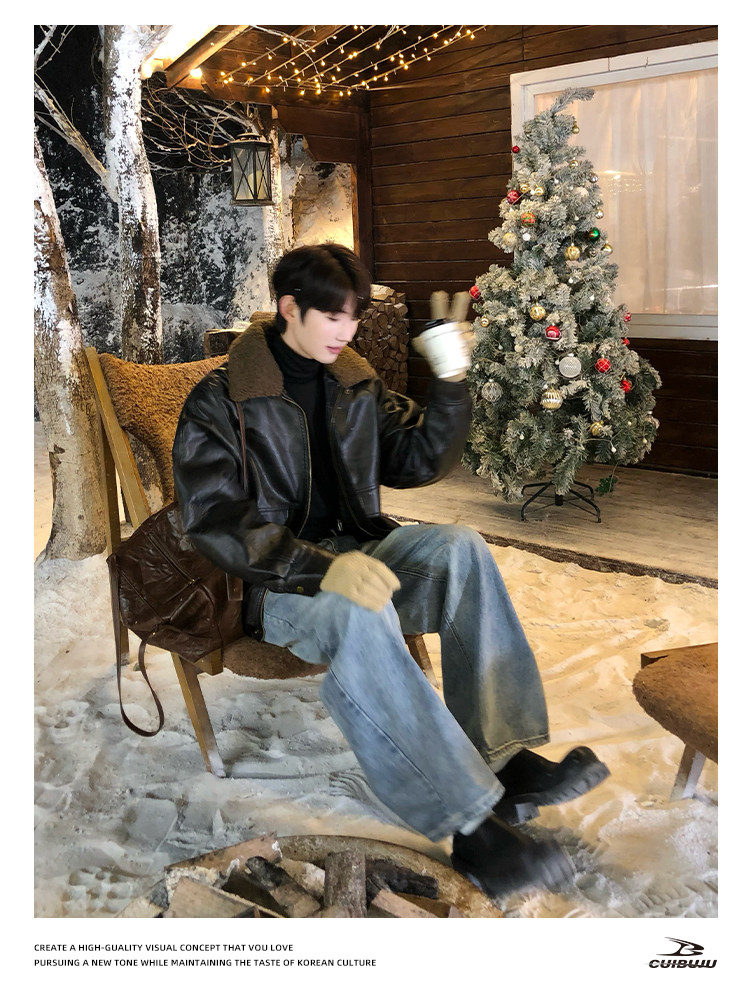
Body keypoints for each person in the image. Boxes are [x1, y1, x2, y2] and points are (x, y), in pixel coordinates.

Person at [172, 243, 609, 900]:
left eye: (354, 316)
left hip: (361, 551)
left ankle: (503, 759)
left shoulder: (353, 385)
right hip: (273, 582)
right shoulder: (222, 401)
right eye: (333, 316)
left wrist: (451, 377)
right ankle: (472, 830)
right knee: (357, 608)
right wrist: (319, 567)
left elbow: (419, 459)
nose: (347, 331)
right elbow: (213, 521)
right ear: (289, 308)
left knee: (460, 546)